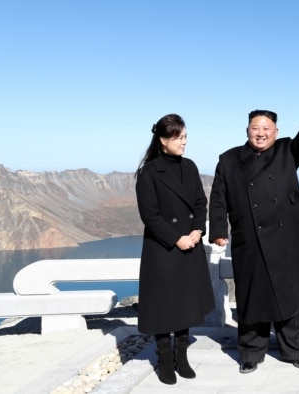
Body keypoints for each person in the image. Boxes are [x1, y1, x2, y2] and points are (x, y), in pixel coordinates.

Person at [208, 87, 299, 374]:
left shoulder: (288, 150)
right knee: (251, 297)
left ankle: (296, 352)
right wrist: (218, 230)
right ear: (247, 130)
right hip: (249, 239)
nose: (260, 133)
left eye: (266, 128)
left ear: (276, 131)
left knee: (291, 298)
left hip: (287, 241)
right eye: (255, 128)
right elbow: (218, 196)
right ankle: (250, 353)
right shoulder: (229, 159)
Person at [135, 114, 216, 385]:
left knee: (185, 303)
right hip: (163, 248)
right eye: (179, 137)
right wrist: (176, 238)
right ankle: (165, 358)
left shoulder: (189, 167)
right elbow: (150, 215)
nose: (184, 142)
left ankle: (181, 356)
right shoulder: (149, 172)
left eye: (185, 137)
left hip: (189, 244)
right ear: (163, 140)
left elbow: (199, 203)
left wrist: (196, 230)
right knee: (162, 306)